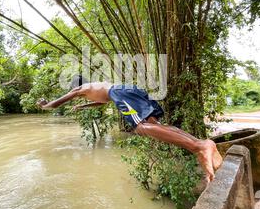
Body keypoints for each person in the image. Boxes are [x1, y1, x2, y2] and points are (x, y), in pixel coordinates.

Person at [36, 75, 222, 182]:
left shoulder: (81, 88)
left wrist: (44, 105)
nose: (78, 98)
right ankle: (204, 146)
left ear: (75, 89)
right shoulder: (95, 87)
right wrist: (82, 107)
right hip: (127, 90)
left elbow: (55, 104)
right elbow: (101, 102)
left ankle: (199, 146)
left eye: (77, 97)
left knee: (141, 128)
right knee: (156, 126)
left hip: (119, 94)